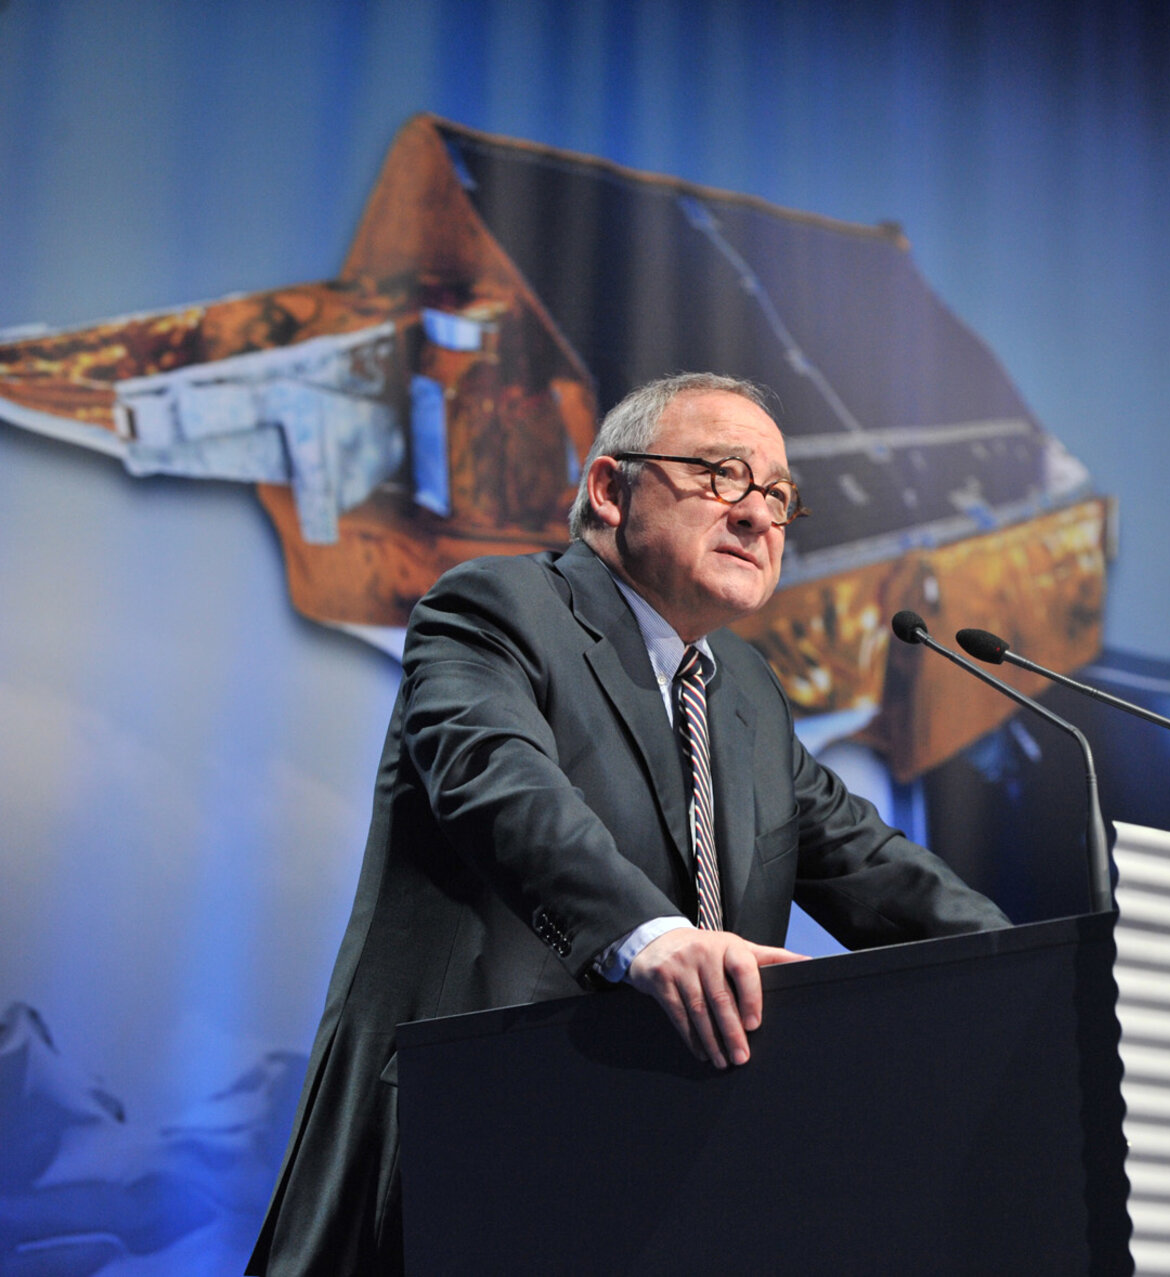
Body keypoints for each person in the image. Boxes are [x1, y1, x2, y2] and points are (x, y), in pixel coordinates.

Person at [248, 372, 1009, 1274]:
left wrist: (1051, 970)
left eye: (776, 495)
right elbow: (495, 781)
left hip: (664, 1177)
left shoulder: (746, 698)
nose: (758, 516)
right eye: (724, 475)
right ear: (610, 489)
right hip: (464, 1149)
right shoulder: (494, 610)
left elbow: (876, 868)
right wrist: (648, 937)